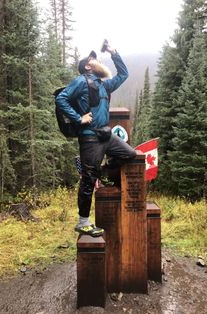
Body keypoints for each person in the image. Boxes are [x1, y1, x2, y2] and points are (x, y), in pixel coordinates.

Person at [56, 42, 136, 237]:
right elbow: (61, 99)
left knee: (129, 154)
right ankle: (83, 222)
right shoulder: (81, 81)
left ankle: (100, 170)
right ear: (88, 66)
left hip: (106, 136)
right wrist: (78, 118)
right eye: (94, 60)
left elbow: (123, 75)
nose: (99, 61)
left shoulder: (103, 84)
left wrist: (114, 52)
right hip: (90, 138)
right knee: (88, 180)